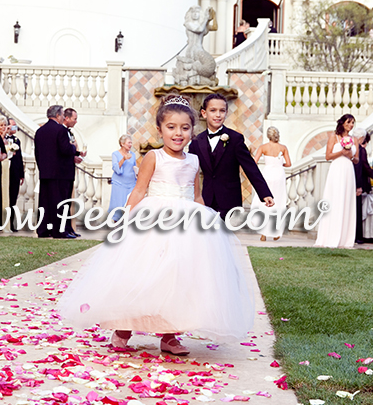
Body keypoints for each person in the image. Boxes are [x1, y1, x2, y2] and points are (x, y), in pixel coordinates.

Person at [56, 95, 256, 356]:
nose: (178, 133)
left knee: (179, 276)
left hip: (187, 223)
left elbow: (196, 195)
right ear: (160, 129)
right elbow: (140, 191)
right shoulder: (154, 157)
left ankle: (170, 335)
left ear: (192, 131)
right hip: (154, 219)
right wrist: (127, 216)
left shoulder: (194, 160)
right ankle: (123, 327)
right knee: (140, 271)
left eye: (185, 128)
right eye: (171, 127)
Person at [188, 93, 273, 220]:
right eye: (213, 110)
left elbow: (250, 167)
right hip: (206, 199)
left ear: (226, 113)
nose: (218, 115)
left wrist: (264, 192)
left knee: (225, 236)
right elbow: (189, 170)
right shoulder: (196, 141)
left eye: (222, 111)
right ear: (204, 113)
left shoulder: (235, 139)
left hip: (230, 199)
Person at [314, 114, 359, 248]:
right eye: (349, 122)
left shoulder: (354, 139)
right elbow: (328, 156)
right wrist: (342, 152)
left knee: (347, 200)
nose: (351, 125)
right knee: (335, 199)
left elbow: (357, 160)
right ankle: (330, 236)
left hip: (348, 170)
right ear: (343, 123)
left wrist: (350, 154)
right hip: (337, 169)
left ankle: (346, 238)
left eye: (353, 123)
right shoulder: (334, 137)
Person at [34, 105, 77, 238]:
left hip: (45, 173)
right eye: (63, 115)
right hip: (60, 174)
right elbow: (65, 149)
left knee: (45, 203)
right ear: (58, 115)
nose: (64, 117)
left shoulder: (40, 131)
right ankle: (59, 231)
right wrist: (73, 148)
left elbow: (37, 153)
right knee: (60, 203)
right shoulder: (60, 130)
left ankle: (43, 230)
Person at [252, 126, 290, 241]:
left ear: (268, 136)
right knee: (278, 203)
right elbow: (288, 164)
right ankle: (276, 232)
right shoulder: (283, 148)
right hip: (279, 175)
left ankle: (263, 234)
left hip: (267, 174)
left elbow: (254, 162)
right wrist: (279, 165)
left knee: (265, 202)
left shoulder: (263, 147)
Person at [62, 108, 85, 238]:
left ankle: (69, 227)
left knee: (68, 201)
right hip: (62, 172)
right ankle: (65, 228)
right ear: (67, 118)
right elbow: (64, 149)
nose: (76, 121)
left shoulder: (69, 132)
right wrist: (73, 155)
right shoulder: (61, 131)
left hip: (69, 171)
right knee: (64, 202)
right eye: (74, 118)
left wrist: (77, 154)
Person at [107, 134, 137, 221]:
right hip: (119, 183)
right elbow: (116, 169)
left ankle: (128, 225)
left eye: (131, 143)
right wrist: (123, 159)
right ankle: (116, 224)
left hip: (131, 183)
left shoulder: (133, 155)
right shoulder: (115, 154)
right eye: (129, 143)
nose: (130, 145)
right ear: (122, 143)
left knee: (130, 204)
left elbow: (134, 167)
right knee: (118, 205)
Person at [354, 131, 373, 244]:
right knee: (357, 210)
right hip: (358, 181)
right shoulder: (360, 150)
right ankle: (358, 236)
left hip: (351, 181)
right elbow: (363, 167)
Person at [6, 118, 24, 232]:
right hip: (5, 170)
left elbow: (19, 158)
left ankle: (11, 223)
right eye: (13, 125)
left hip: (15, 172)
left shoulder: (17, 140)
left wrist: (21, 174)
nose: (15, 127)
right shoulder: (1, 138)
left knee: (13, 198)